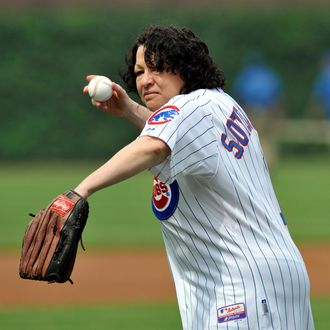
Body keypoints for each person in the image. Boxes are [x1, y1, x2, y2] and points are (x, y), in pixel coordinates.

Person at [75, 25, 314, 329]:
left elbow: (154, 146)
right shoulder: (216, 103)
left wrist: (81, 190)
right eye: (139, 71)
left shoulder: (189, 108)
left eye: (158, 67)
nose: (146, 79)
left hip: (239, 290)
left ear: (185, 67)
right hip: (274, 277)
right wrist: (128, 110)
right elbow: (175, 134)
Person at [233, 50, 284, 168]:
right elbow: (278, 96)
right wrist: (279, 113)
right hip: (268, 111)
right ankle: (269, 165)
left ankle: (256, 166)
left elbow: (238, 96)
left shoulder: (245, 75)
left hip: (251, 111)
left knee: (253, 139)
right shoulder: (269, 74)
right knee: (268, 139)